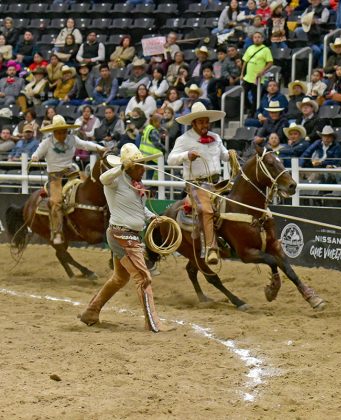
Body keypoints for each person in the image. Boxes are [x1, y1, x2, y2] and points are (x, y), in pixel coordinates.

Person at [79, 143, 174, 333]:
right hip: (122, 234)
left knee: (120, 278)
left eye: (143, 164)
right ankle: (153, 323)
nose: (143, 168)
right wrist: (121, 167)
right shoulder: (115, 180)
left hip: (127, 234)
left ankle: (91, 311)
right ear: (129, 167)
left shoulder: (136, 184)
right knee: (143, 277)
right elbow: (102, 178)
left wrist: (152, 217)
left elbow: (140, 208)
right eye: (139, 165)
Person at [167, 102, 232, 265]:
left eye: (206, 121)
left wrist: (230, 154)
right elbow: (170, 159)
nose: (205, 124)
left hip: (218, 182)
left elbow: (223, 155)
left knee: (237, 200)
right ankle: (211, 248)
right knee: (206, 209)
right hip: (196, 184)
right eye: (201, 121)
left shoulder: (215, 137)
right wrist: (186, 155)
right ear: (193, 123)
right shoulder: (184, 139)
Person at [31, 115, 105, 244]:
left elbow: (85, 145)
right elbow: (37, 152)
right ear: (53, 132)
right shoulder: (47, 142)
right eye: (59, 132)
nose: (62, 135)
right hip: (55, 175)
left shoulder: (72, 139)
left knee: (90, 186)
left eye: (64, 132)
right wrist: (35, 156)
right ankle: (57, 232)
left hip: (71, 171)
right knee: (56, 202)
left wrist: (99, 148)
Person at [241, 32, 273, 117]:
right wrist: (242, 74)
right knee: (243, 93)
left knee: (256, 97)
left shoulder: (266, 49)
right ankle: (249, 107)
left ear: (262, 39)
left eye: (259, 37)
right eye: (255, 37)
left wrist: (263, 71)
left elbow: (270, 62)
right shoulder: (250, 48)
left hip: (258, 78)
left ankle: (252, 113)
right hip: (248, 77)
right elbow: (245, 62)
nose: (257, 39)